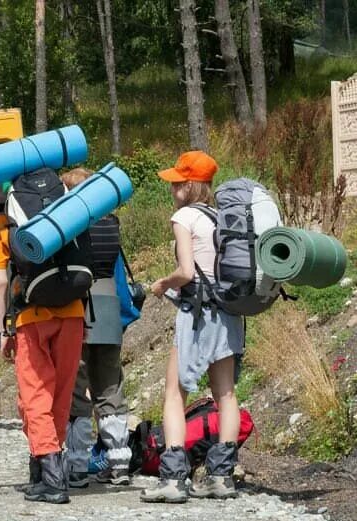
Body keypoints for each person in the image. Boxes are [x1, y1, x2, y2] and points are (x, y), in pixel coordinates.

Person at [141, 151, 244, 503]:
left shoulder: (184, 216)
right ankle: (221, 477)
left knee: (175, 393)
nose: (171, 189)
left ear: (188, 186)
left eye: (175, 183)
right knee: (225, 394)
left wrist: (161, 284)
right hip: (229, 314)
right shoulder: (223, 217)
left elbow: (186, 272)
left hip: (196, 314)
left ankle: (172, 479)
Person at [0, 196, 85, 504]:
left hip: (32, 316)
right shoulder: (66, 206)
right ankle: (42, 473)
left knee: (34, 396)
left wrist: (4, 328)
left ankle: (53, 478)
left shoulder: (4, 222)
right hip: (73, 313)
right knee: (60, 395)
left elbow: (1, 281)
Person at [60, 168, 132, 488]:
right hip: (108, 305)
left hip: (77, 307)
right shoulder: (110, 223)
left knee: (77, 388)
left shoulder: (67, 224)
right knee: (110, 387)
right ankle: (119, 462)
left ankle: (76, 465)